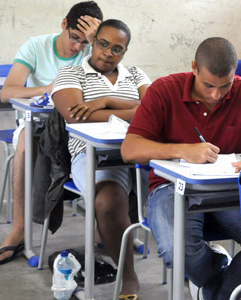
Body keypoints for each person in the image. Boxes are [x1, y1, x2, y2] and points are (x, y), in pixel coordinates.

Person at [120, 37, 241, 300]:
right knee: (176, 250)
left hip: (230, 192)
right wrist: (182, 150)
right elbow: (130, 149)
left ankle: (218, 295)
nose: (215, 94)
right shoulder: (164, 90)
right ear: (194, 67)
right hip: (171, 189)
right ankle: (217, 269)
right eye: (208, 85)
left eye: (225, 86)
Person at [51, 19, 151, 299]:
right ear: (93, 42)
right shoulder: (70, 73)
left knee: (179, 192)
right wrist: (135, 109)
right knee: (108, 201)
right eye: (103, 44)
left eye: (117, 49)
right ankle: (127, 275)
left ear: (125, 52)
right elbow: (75, 116)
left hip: (142, 151)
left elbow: (156, 108)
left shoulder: (134, 73)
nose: (108, 52)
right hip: (94, 155)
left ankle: (194, 266)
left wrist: (107, 102)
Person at [0, 1, 103, 265]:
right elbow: (8, 91)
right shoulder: (36, 46)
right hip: (36, 125)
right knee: (24, 143)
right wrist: (49, 88)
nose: (78, 47)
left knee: (106, 149)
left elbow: (110, 87)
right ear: (64, 25)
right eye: (75, 38)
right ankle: (19, 229)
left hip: (78, 127)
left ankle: (105, 226)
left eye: (85, 42)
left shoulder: (94, 53)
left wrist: (98, 43)